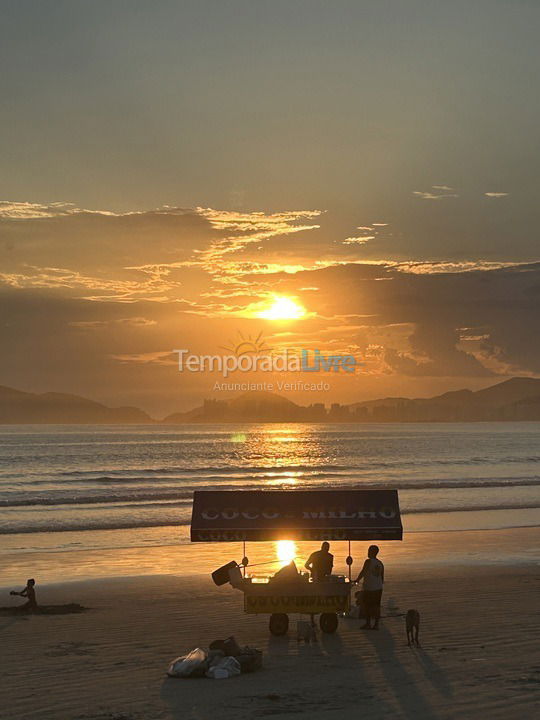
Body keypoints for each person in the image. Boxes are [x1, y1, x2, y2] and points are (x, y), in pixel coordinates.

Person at [355, 546, 384, 629]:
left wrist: (357, 580)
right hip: (378, 588)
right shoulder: (380, 563)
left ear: (371, 552)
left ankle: (368, 624)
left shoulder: (368, 561)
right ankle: (376, 624)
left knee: (367, 606)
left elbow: (363, 572)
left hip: (369, 588)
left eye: (368, 551)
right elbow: (382, 577)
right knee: (376, 606)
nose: (367, 552)